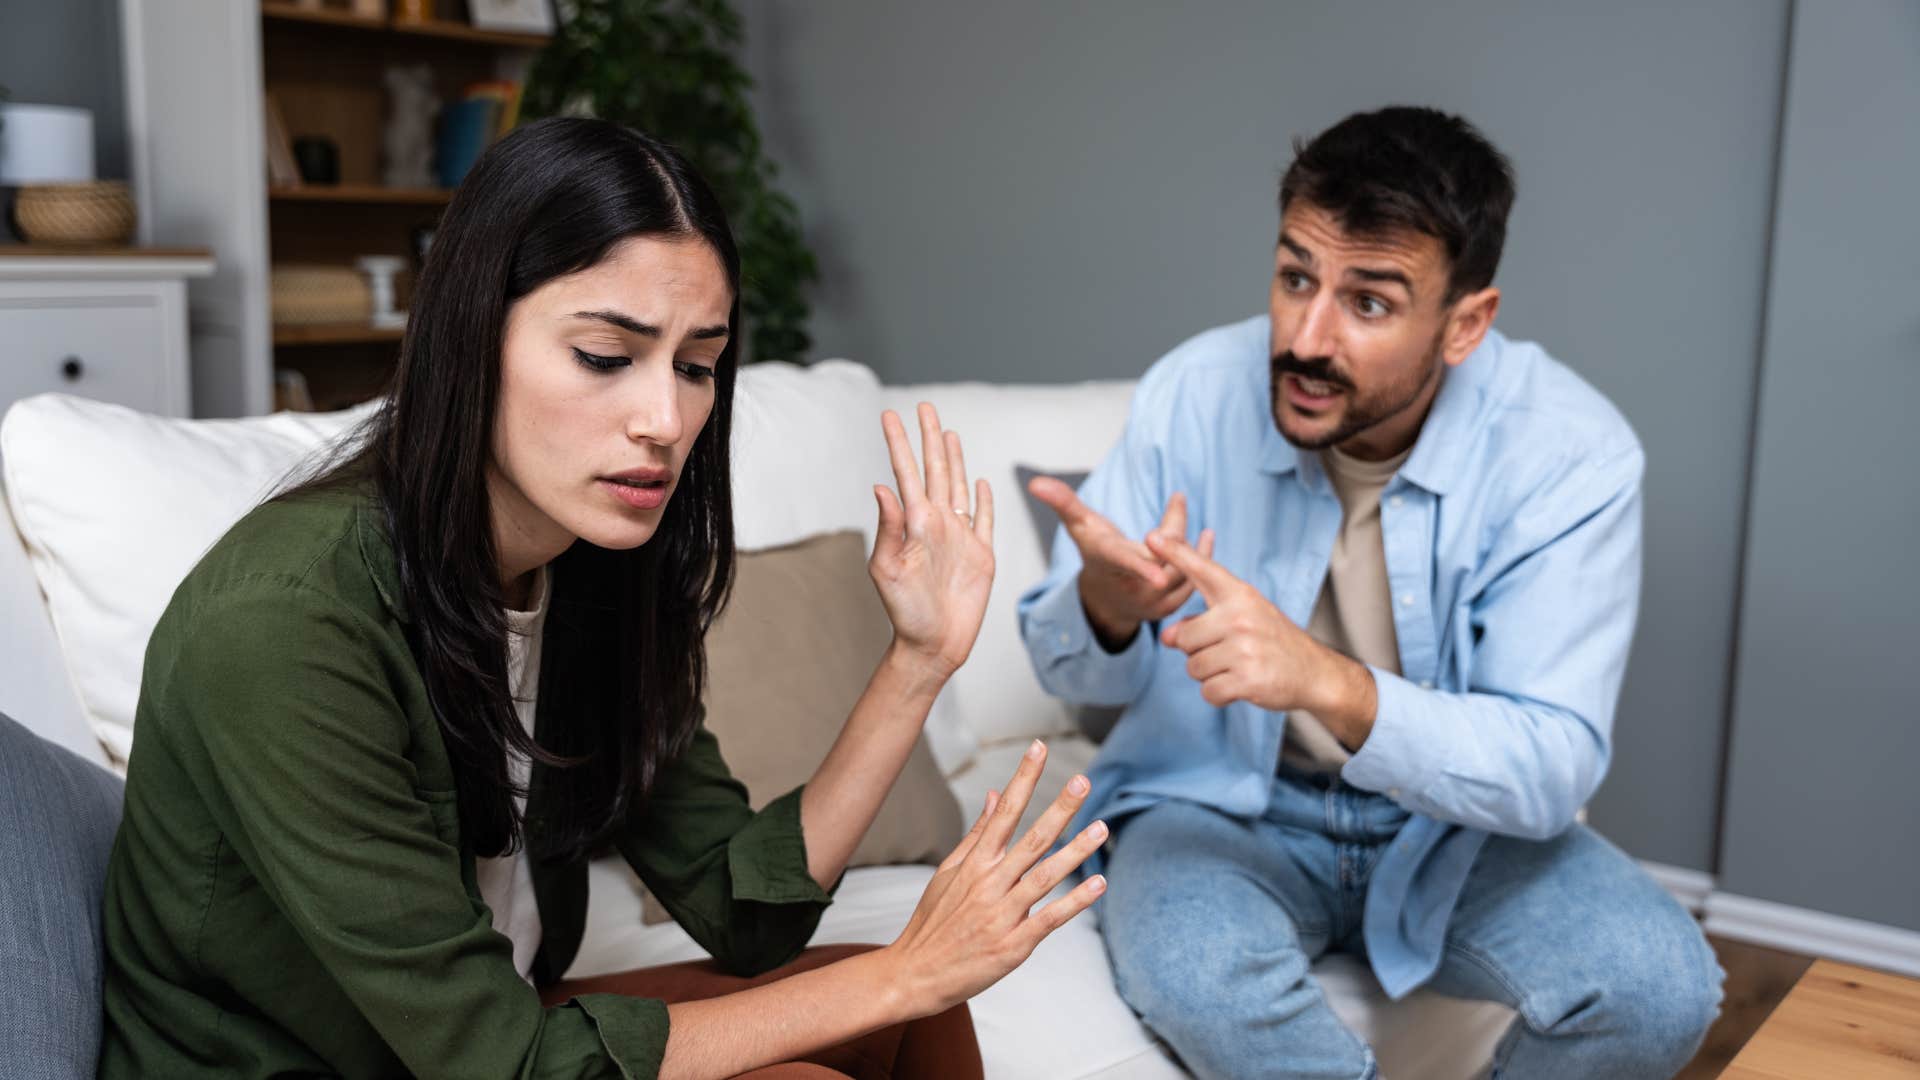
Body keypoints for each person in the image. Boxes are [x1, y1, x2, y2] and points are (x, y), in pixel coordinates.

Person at [99, 117, 1109, 1079]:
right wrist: (902, 969)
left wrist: (918, 662)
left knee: (919, 1022)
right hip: (334, 1062)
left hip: (490, 1037)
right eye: (604, 358)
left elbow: (741, 907)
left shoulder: (592, 570)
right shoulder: (285, 622)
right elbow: (500, 1064)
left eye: (699, 366)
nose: (666, 419)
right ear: (470, 334)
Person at [1018, 106, 1724, 1079]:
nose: (1306, 339)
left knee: (1656, 985)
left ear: (1466, 323)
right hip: (1225, 805)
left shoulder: (1569, 456)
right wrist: (1105, 600)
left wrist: (1327, 682)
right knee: (1195, 972)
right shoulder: (1193, 392)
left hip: (1454, 832)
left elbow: (1552, 765)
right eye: (1295, 276)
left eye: (1372, 303)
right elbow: (1059, 659)